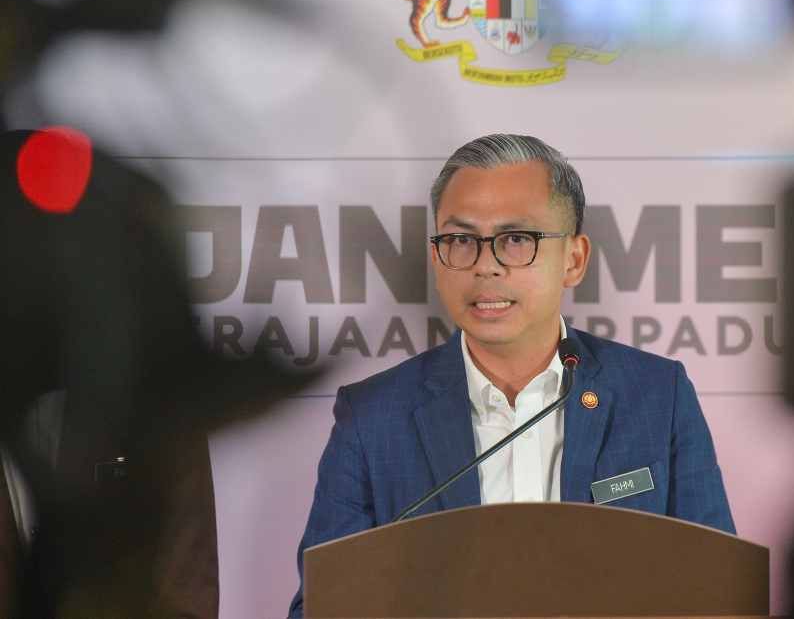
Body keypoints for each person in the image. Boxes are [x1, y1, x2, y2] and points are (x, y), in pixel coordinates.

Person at [288, 134, 734, 618]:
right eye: (461, 241)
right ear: (438, 260)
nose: (485, 265)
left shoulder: (657, 395)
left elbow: (719, 591)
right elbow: (320, 606)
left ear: (574, 259)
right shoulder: (372, 416)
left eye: (517, 240)